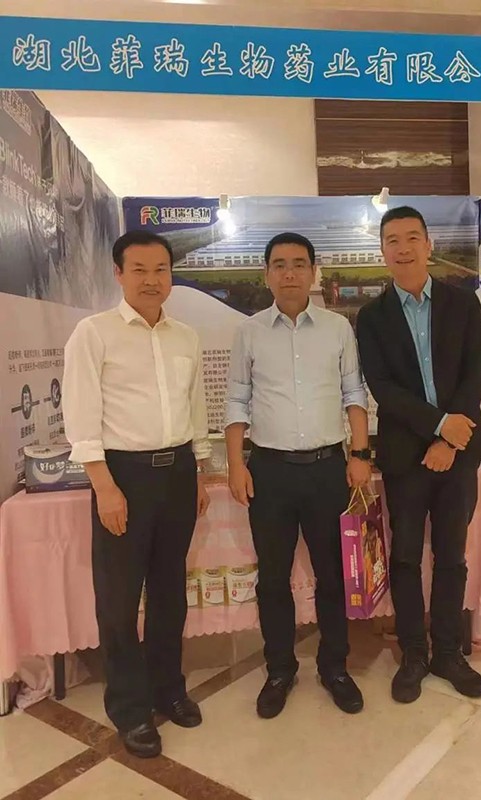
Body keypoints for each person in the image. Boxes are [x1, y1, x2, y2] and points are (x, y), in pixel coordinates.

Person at [62, 230, 211, 758]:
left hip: (178, 474)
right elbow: (81, 415)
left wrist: (200, 470)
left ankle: (169, 688)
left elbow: (196, 407)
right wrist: (104, 487)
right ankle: (129, 709)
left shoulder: (185, 336)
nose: (152, 280)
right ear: (119, 274)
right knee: (120, 600)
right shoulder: (94, 333)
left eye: (161, 270)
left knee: (170, 592)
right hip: (122, 476)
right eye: (140, 270)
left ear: (171, 275)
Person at [225, 232, 371, 719]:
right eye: (280, 265)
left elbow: (354, 392)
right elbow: (237, 399)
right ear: (266, 274)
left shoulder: (337, 328)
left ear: (314, 272)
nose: (289, 273)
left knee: (333, 575)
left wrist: (360, 453)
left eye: (299, 264)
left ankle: (335, 667)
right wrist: (236, 464)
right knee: (273, 578)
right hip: (269, 472)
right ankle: (279, 670)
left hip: (329, 469)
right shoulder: (249, 332)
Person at [356, 206, 481, 704]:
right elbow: (383, 388)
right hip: (404, 456)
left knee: (452, 555)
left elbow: (474, 373)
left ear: (428, 244)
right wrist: (438, 427)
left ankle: (449, 653)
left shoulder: (463, 303)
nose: (404, 248)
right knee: (407, 556)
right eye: (393, 240)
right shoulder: (372, 317)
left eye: (412, 237)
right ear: (383, 251)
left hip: (459, 450)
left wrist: (450, 439)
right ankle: (414, 653)